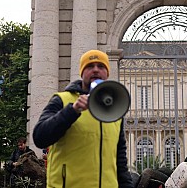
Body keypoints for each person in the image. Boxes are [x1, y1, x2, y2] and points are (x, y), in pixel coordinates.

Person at [33, 49, 133, 188]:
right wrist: (72, 110)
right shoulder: (62, 100)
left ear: (107, 73)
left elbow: (120, 162)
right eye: (90, 66)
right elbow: (40, 137)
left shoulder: (115, 112)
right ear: (82, 72)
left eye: (101, 66)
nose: (96, 70)